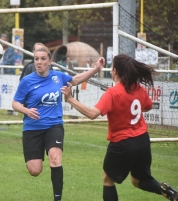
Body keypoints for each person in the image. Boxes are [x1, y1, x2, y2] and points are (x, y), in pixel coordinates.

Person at [61, 54, 178, 201]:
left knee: (107, 180)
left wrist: (70, 99)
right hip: (142, 141)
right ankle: (168, 192)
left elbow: (92, 114)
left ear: (115, 71)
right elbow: (147, 106)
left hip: (123, 143)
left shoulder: (112, 93)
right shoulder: (137, 88)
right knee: (137, 180)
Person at [12, 47, 104, 201]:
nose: (39, 62)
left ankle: (57, 199)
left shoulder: (58, 77)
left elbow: (75, 80)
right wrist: (26, 111)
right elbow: (15, 103)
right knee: (35, 170)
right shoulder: (27, 81)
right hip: (32, 128)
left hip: (54, 126)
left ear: (50, 61)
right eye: (36, 59)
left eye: (43, 59)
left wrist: (96, 69)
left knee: (55, 158)